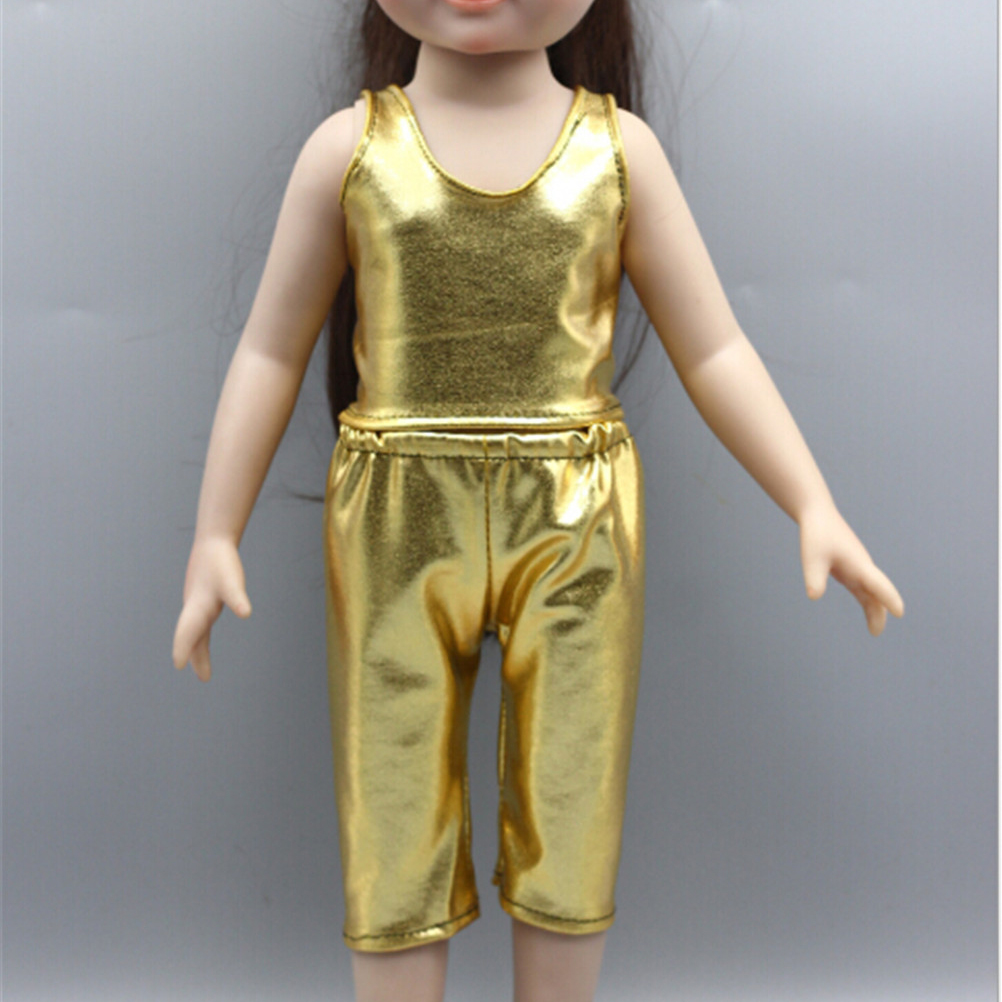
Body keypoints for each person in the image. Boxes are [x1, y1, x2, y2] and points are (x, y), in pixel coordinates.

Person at [172, 2, 905, 1000]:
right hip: (396, 517)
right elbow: (270, 349)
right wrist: (215, 533)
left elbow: (715, 348)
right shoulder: (350, 152)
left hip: (577, 516)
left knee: (573, 798)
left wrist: (813, 504)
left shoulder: (617, 152)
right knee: (391, 810)